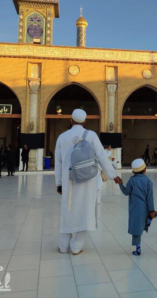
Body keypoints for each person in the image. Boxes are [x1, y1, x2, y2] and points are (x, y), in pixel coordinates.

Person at [55, 109, 121, 255]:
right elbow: (102, 157)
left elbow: (58, 163)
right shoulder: (91, 135)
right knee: (85, 211)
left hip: (69, 180)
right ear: (85, 121)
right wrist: (113, 175)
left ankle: (63, 246)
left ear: (71, 120)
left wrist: (59, 183)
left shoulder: (62, 137)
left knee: (68, 211)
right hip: (87, 180)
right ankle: (76, 247)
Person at [119, 158, 157, 256]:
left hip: (135, 208)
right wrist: (152, 210)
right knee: (142, 223)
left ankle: (138, 248)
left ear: (133, 171)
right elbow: (150, 198)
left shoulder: (132, 180)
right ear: (145, 170)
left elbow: (126, 192)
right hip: (145, 208)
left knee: (136, 228)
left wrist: (120, 184)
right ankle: (148, 220)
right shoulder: (148, 181)